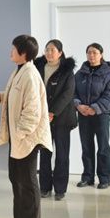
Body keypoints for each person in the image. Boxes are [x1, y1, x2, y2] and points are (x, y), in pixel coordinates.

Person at [0, 35, 52, 218]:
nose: (10, 52)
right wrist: (2, 96)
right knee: (16, 178)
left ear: (23, 53)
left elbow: (32, 111)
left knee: (27, 182)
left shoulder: (30, 75)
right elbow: (16, 95)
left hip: (27, 138)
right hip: (18, 138)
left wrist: (19, 133)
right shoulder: (19, 71)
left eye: (13, 48)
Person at [34, 39, 76, 200]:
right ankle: (44, 187)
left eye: (52, 50)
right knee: (45, 153)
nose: (49, 53)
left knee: (62, 154)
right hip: (42, 117)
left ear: (60, 53)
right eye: (47, 49)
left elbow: (68, 93)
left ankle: (60, 189)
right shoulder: (37, 67)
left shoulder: (67, 70)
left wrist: (53, 112)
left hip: (62, 118)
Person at [73, 43, 110, 189]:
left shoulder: (108, 74)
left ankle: (104, 178)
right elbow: (73, 93)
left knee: (103, 146)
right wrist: (78, 105)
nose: (91, 55)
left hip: (101, 114)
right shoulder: (79, 74)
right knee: (86, 146)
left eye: (95, 52)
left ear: (101, 54)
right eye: (89, 52)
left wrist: (94, 108)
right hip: (83, 114)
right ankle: (87, 177)